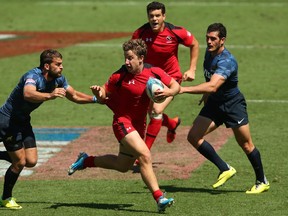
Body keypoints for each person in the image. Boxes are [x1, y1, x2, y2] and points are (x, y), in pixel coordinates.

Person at [67, 39, 180, 212]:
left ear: (141, 58)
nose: (126, 62)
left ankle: (86, 160)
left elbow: (175, 86)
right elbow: (105, 93)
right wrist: (99, 93)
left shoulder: (154, 72)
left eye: (130, 58)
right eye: (125, 58)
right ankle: (159, 198)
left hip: (138, 125)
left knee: (123, 165)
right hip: (122, 122)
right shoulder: (119, 76)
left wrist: (168, 92)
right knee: (144, 155)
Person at [0, 49, 98, 209]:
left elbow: (74, 95)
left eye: (61, 64)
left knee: (30, 161)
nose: (62, 67)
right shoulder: (33, 76)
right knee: (19, 162)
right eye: (58, 64)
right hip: (7, 122)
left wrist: (96, 100)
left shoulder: (59, 79)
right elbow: (28, 94)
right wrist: (50, 95)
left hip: (23, 121)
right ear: (46, 66)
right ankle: (6, 198)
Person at [179, 23, 270, 194]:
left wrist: (182, 89)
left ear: (223, 40)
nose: (209, 41)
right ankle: (225, 168)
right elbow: (210, 80)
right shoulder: (209, 52)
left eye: (213, 38)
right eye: (207, 37)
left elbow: (213, 85)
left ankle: (262, 181)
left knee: (246, 144)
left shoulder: (227, 61)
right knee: (194, 136)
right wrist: (206, 95)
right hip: (214, 103)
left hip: (232, 106)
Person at [132, 1, 199, 150]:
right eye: (151, 16)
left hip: (171, 79)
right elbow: (133, 56)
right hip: (150, 79)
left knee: (156, 111)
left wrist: (192, 69)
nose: (154, 19)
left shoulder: (175, 32)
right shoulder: (140, 34)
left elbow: (194, 43)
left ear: (163, 16)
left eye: (157, 16)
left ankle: (145, 152)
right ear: (148, 17)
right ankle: (172, 123)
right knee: (149, 112)